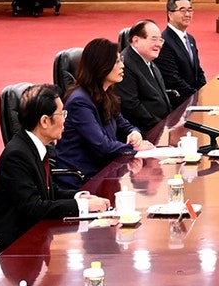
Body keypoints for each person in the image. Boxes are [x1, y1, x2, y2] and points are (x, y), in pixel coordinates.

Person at [0, 84, 110, 266]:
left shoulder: (35, 147)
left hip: (29, 243)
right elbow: (33, 207)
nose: (65, 120)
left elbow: (50, 191)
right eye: (62, 114)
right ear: (44, 121)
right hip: (6, 252)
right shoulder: (17, 155)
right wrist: (82, 206)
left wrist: (82, 197)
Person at [58, 38, 152, 183]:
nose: (122, 66)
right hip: (83, 179)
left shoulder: (105, 93)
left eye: (121, 60)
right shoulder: (79, 102)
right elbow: (102, 146)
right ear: (100, 66)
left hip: (105, 171)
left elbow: (124, 125)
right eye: (117, 62)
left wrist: (134, 133)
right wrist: (135, 149)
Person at [115, 19, 174, 132]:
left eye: (160, 40)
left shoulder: (150, 62)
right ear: (136, 41)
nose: (159, 44)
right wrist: (161, 128)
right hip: (143, 131)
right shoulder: (125, 64)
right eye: (154, 39)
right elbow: (131, 106)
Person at [157, 0, 206, 104]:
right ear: (170, 14)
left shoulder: (190, 39)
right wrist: (195, 96)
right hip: (179, 101)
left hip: (193, 98)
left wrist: (204, 91)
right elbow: (172, 78)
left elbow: (198, 70)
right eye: (182, 11)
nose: (187, 14)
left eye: (190, 10)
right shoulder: (165, 41)